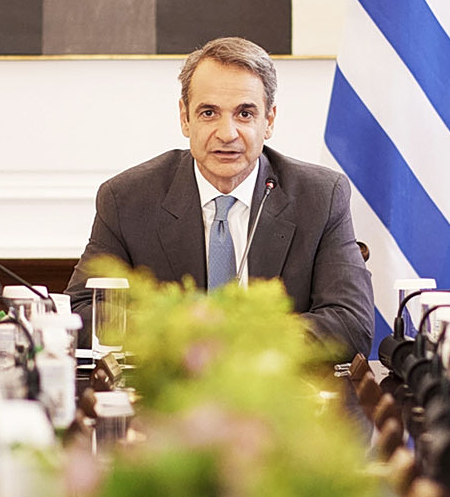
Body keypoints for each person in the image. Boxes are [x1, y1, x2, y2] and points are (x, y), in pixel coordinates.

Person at [65, 37, 373, 359]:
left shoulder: (320, 197)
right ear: (185, 118)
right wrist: (185, 337)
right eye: (209, 112)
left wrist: (240, 340)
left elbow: (351, 324)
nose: (227, 133)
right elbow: (80, 313)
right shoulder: (127, 199)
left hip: (277, 384)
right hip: (167, 384)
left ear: (269, 121)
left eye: (245, 114)